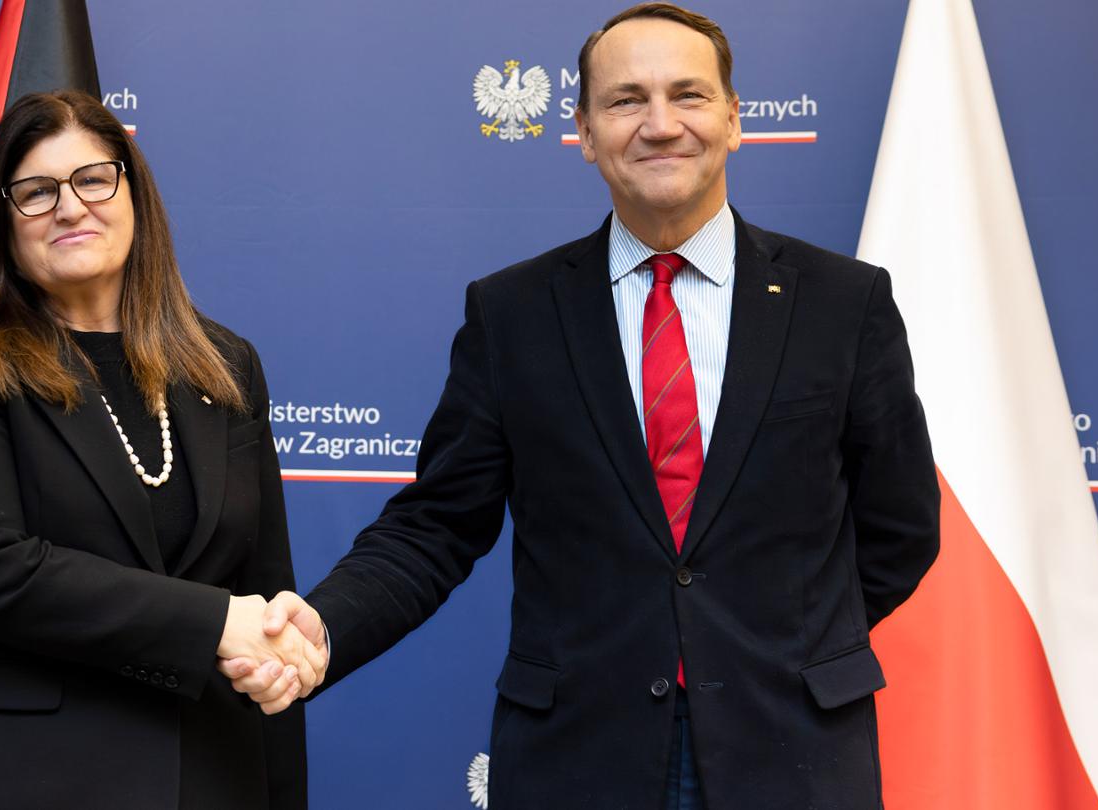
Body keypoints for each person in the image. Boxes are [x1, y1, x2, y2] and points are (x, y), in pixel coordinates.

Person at [222, 4, 939, 807]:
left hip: (793, 755)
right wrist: (322, 628)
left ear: (736, 120)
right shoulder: (515, 313)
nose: (660, 124)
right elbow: (436, 526)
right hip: (578, 760)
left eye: (689, 95)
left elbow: (901, 526)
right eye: (626, 100)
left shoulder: (844, 303)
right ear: (586, 132)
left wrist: (781, 646)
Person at [0, 89, 321, 810]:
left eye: (93, 178)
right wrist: (215, 621)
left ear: (133, 193)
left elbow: (267, 596)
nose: (69, 206)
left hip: (207, 772)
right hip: (14, 778)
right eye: (36, 191)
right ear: (3, 223)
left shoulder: (226, 364)